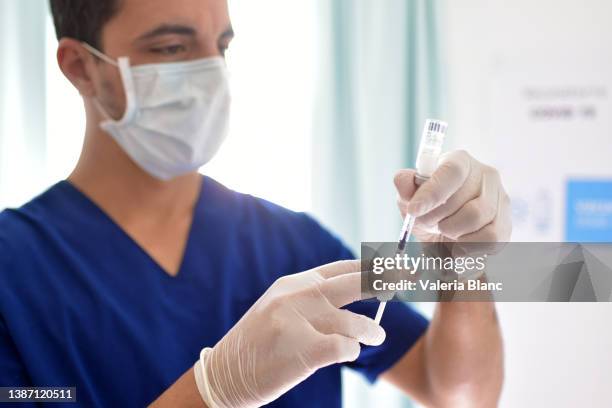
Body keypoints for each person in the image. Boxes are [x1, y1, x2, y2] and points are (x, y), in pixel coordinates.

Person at [0, 0, 511, 406]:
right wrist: (215, 390)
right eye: (173, 48)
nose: (208, 73)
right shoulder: (13, 268)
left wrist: (458, 266)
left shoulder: (291, 244)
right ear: (82, 67)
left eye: (219, 45)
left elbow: (458, 393)